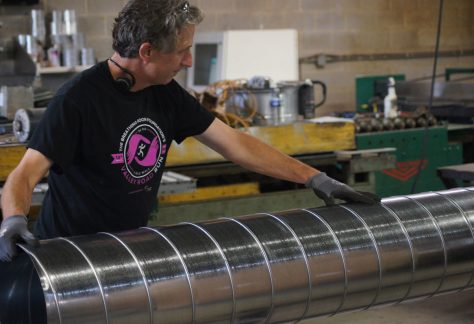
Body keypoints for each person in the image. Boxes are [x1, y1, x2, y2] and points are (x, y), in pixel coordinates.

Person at [0, 0, 378, 262]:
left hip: (129, 247)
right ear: (146, 52)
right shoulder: (77, 100)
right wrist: (14, 220)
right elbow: (24, 174)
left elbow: (236, 144)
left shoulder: (165, 93)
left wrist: (315, 178)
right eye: (182, 50)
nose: (189, 60)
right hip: (68, 254)